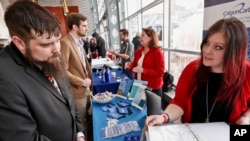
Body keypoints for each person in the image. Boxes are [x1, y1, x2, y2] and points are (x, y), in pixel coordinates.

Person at [0, 1, 85, 141]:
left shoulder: (50, 56)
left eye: (57, 40)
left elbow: (68, 100)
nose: (57, 49)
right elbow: (25, 138)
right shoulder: (4, 77)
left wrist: (79, 133)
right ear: (20, 43)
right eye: (46, 44)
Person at [146, 17, 250, 126]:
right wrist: (164, 117)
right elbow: (180, 101)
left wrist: (246, 117)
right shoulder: (192, 69)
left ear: (234, 51)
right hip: (193, 134)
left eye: (218, 47)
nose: (207, 50)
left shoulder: (247, 72)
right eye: (207, 43)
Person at [60, 13, 93, 141]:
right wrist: (81, 81)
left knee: (88, 119)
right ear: (74, 27)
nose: (87, 28)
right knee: (82, 125)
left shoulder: (80, 42)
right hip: (77, 92)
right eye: (84, 26)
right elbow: (62, 71)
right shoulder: (65, 43)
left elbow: (83, 65)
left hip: (86, 90)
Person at [125, 27, 165, 96]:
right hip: (138, 85)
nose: (140, 37)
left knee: (151, 107)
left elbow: (160, 72)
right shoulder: (138, 51)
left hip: (152, 88)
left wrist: (143, 70)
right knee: (137, 107)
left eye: (143, 35)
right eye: (141, 35)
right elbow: (134, 66)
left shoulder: (157, 52)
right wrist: (129, 66)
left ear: (150, 38)